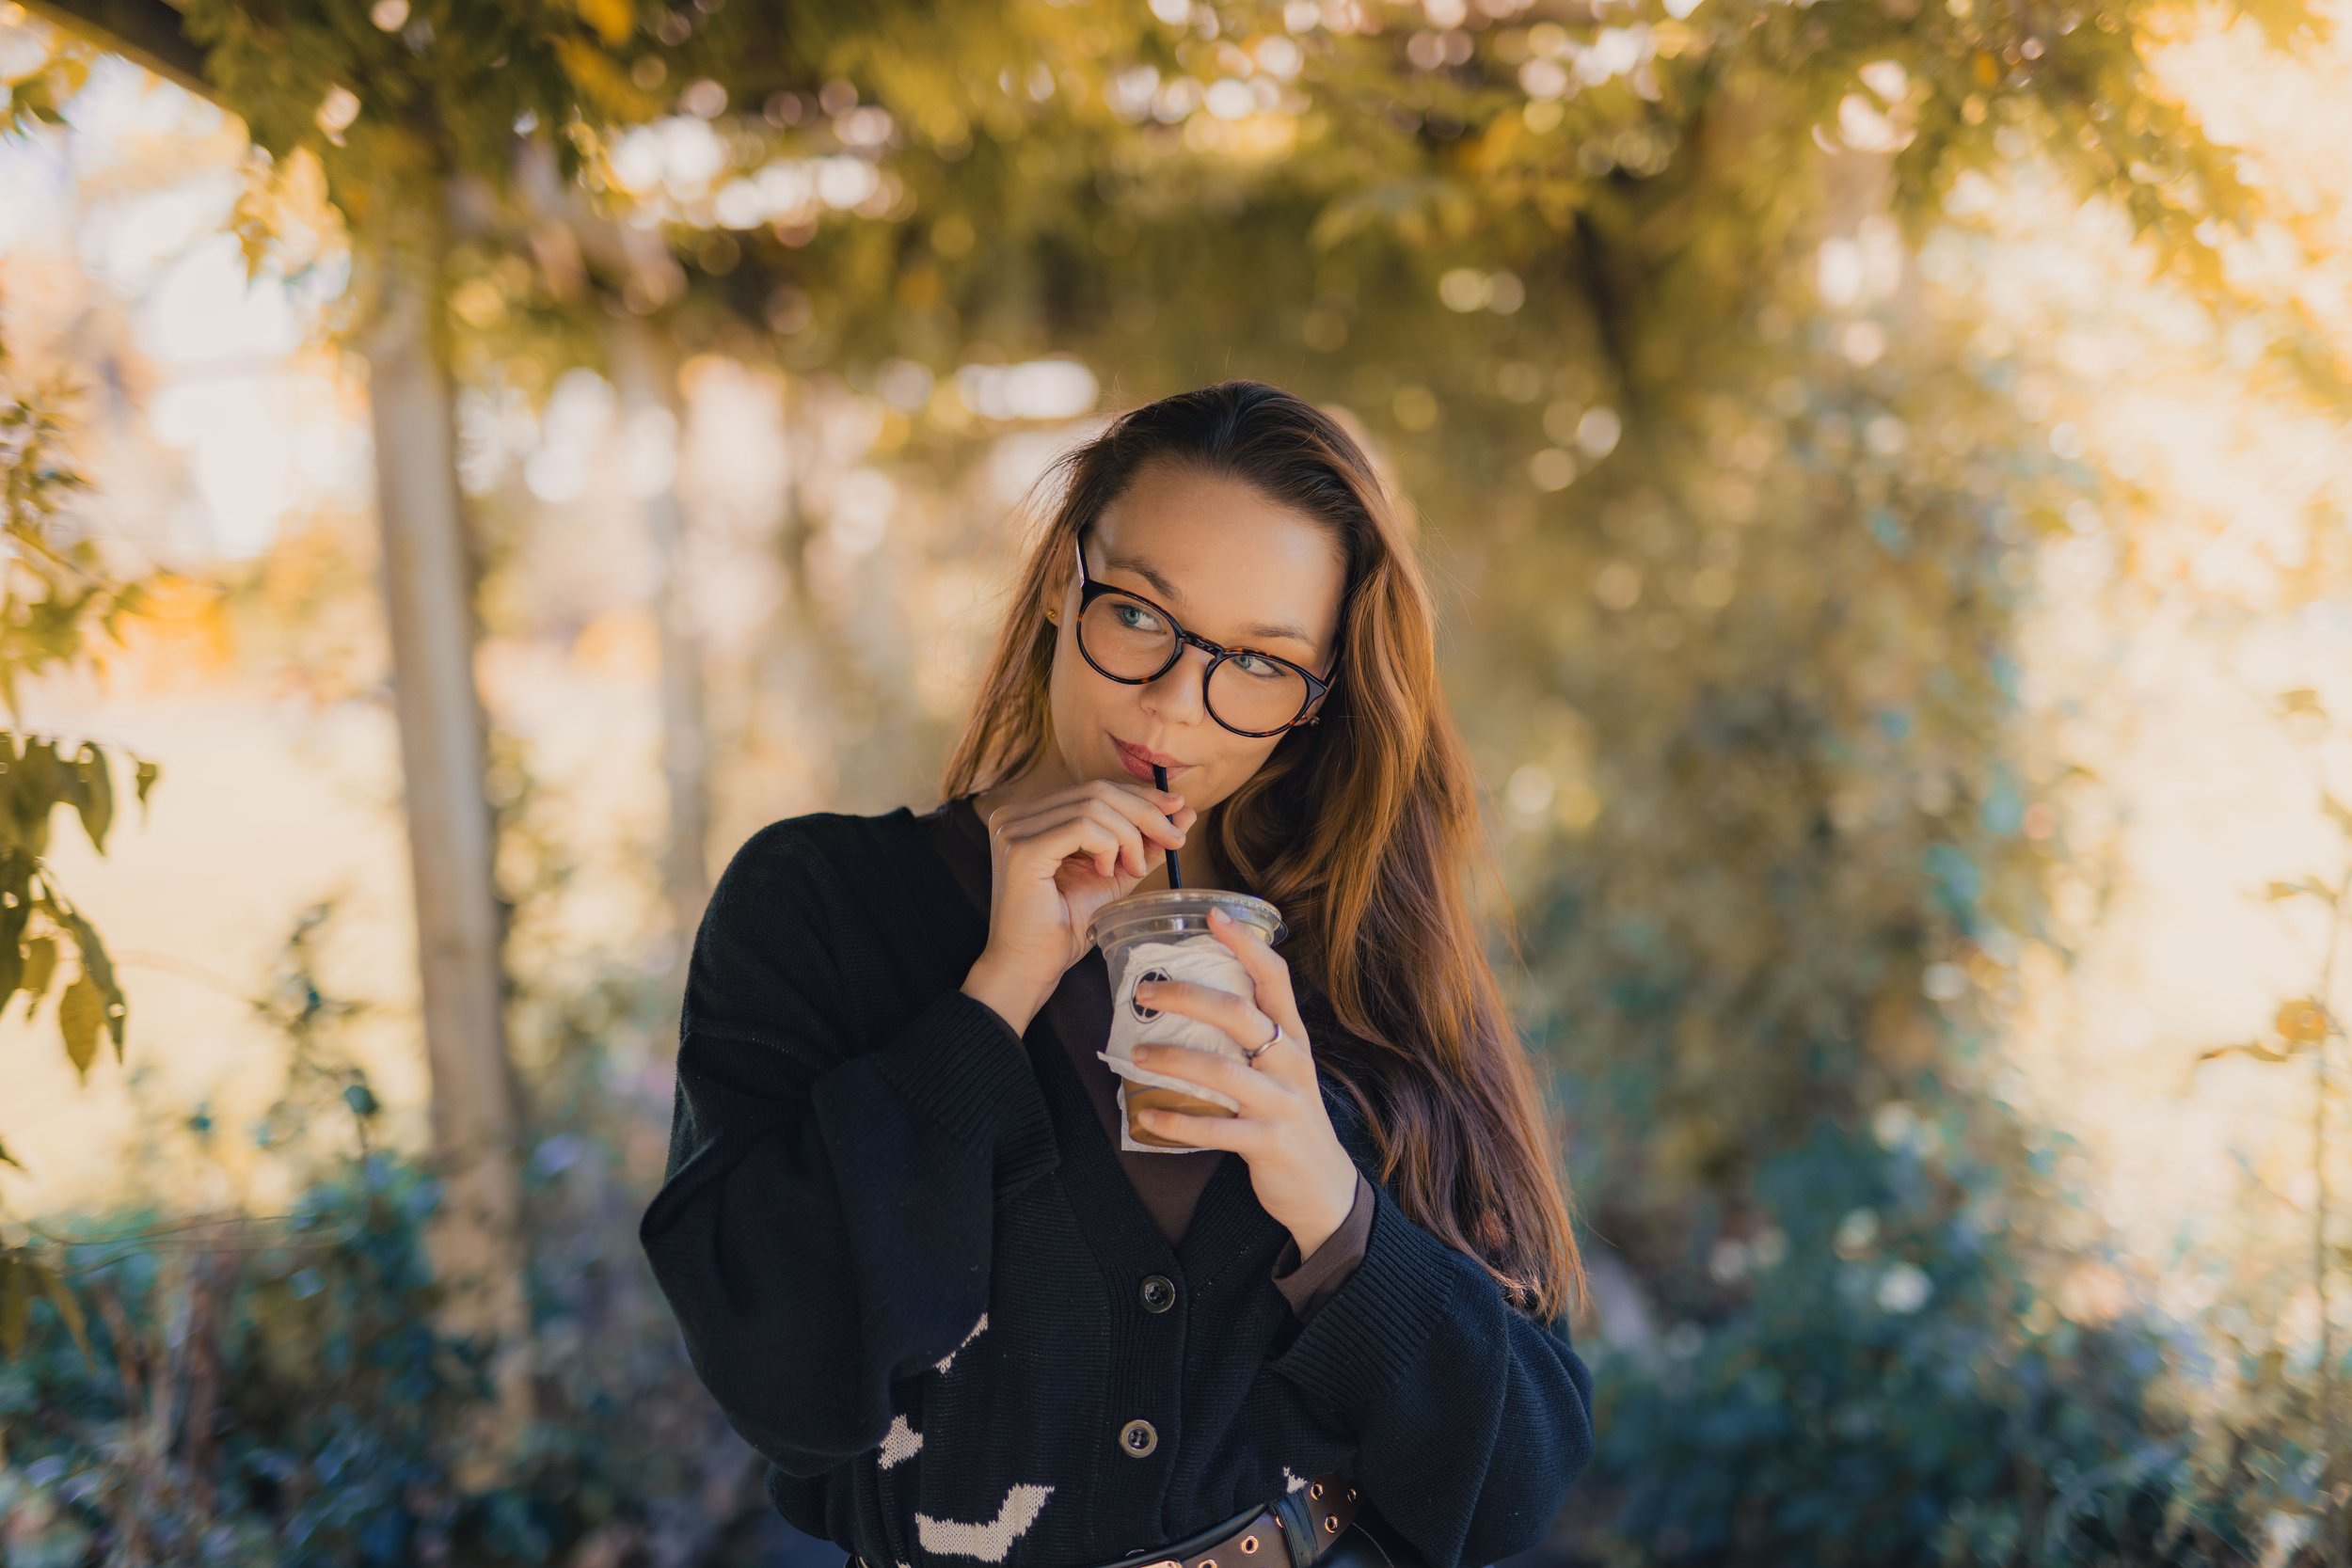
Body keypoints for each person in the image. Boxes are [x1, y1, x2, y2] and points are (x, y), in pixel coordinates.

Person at [640, 380, 1595, 1568]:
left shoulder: (1354, 943)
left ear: (1316, 700)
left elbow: (1511, 1489)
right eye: (1141, 614)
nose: (1176, 704)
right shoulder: (821, 906)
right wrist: (994, 998)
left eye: (1259, 662)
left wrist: (1326, 1198)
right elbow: (782, 1378)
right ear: (1061, 579)